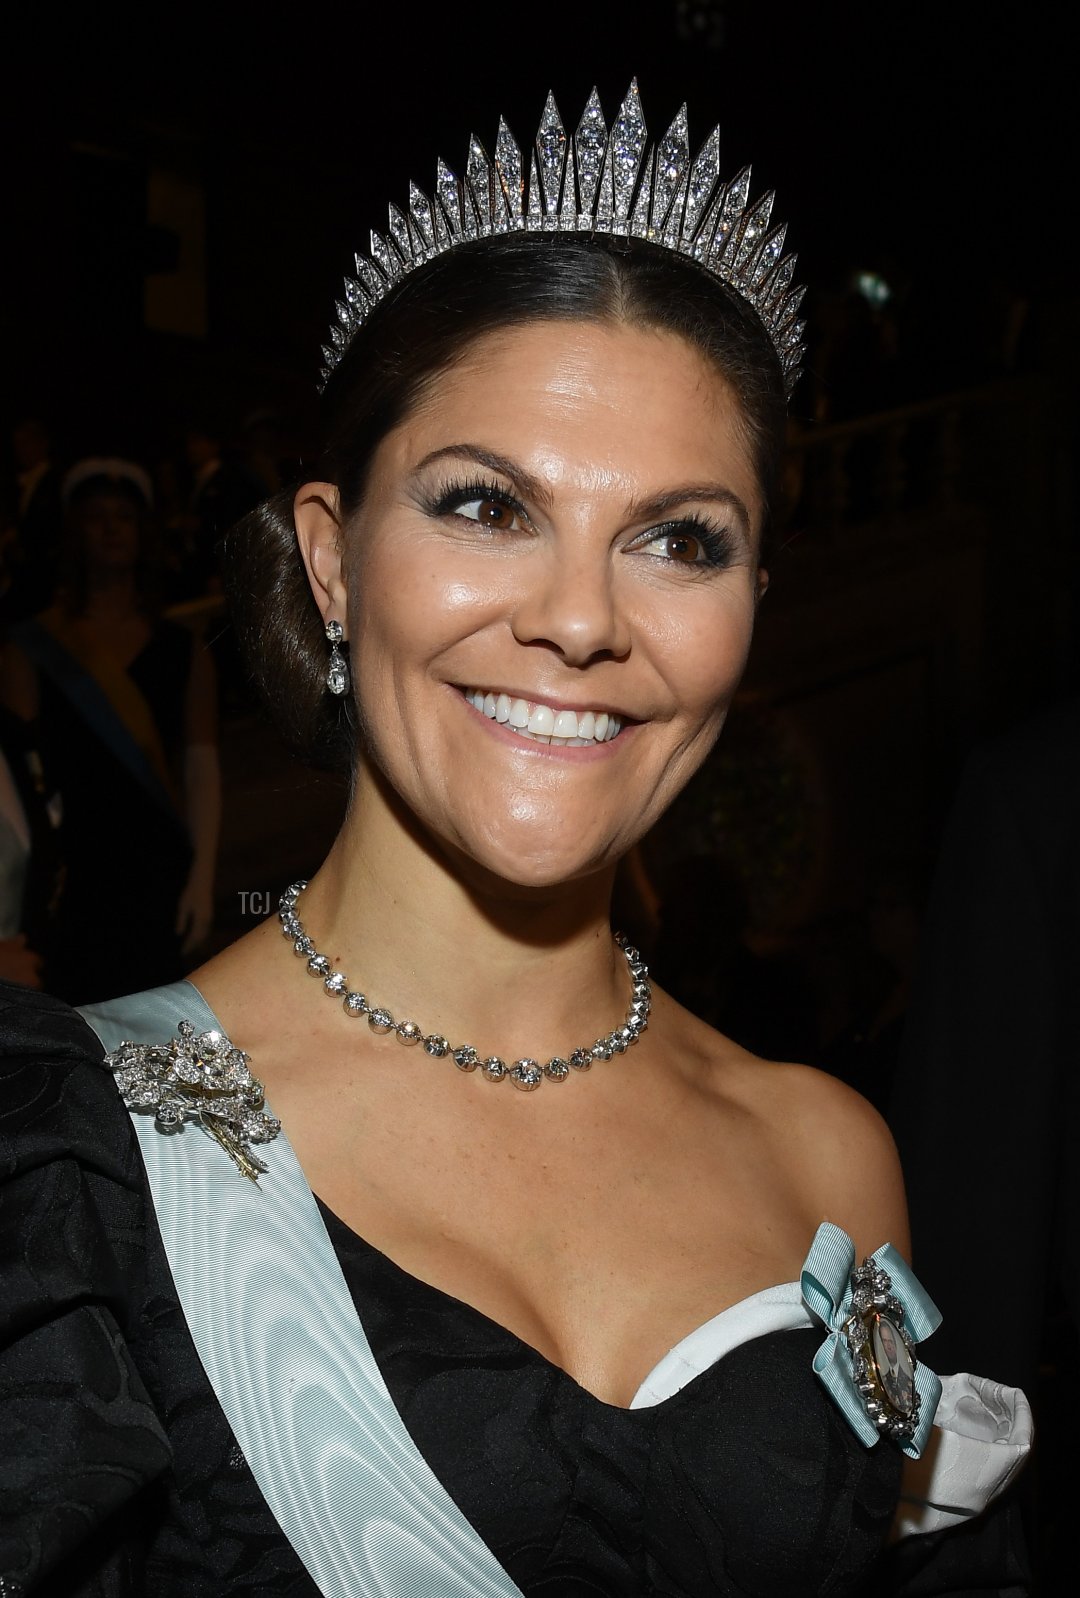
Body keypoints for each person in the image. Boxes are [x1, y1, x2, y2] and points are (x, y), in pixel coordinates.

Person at [0, 85, 1030, 1595]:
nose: (580, 618)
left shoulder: (827, 1156)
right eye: (487, 505)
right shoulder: (70, 1150)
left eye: (680, 538)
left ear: (753, 605)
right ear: (331, 561)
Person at [0, 458, 220, 1002]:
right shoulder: (30, 649)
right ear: (74, 534)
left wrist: (202, 875)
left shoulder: (182, 649)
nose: (111, 529)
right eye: (97, 517)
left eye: (124, 517)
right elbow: (18, 793)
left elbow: (201, 769)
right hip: (70, 881)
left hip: (156, 870)